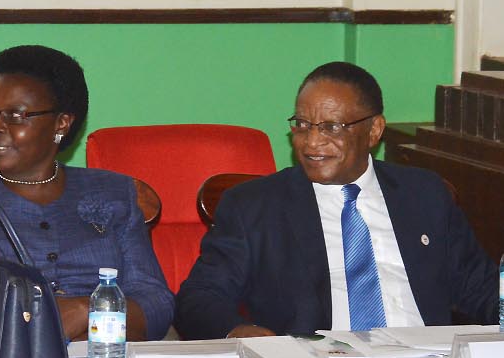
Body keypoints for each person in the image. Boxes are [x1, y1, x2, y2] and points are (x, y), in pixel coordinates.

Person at [175, 61, 498, 339]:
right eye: (302, 125)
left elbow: (481, 290)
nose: (312, 141)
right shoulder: (255, 206)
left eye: (331, 127)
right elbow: (200, 298)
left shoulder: (423, 194)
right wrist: (240, 333)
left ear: (374, 131)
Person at [0, 45, 174, 349]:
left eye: (16, 116)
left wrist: (88, 312)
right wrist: (30, 327)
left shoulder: (115, 194)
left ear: (61, 123)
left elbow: (156, 304)